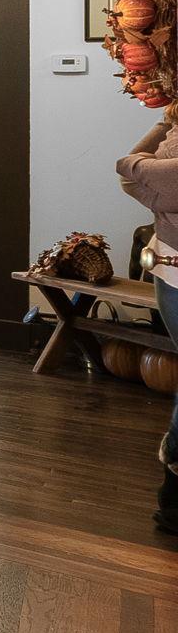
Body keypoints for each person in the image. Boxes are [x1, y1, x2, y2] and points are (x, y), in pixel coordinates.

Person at [118, 113, 178, 532]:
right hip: (170, 270)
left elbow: (137, 172)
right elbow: (136, 178)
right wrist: (168, 116)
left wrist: (133, 165)